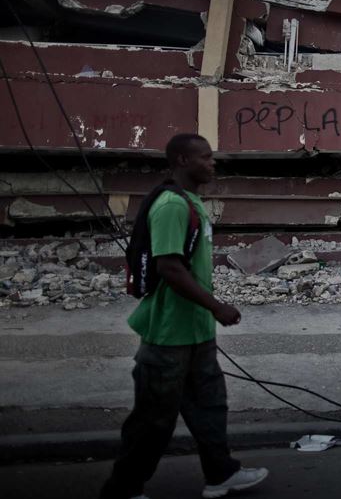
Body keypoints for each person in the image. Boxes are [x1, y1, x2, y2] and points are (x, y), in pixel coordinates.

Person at [101, 134, 268, 499]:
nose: (212, 163)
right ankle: (122, 489)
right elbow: (170, 269)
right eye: (205, 158)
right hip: (168, 334)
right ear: (181, 160)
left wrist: (208, 314)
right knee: (152, 420)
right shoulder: (171, 205)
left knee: (209, 406)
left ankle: (221, 474)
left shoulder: (192, 202)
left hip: (196, 332)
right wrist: (217, 307)